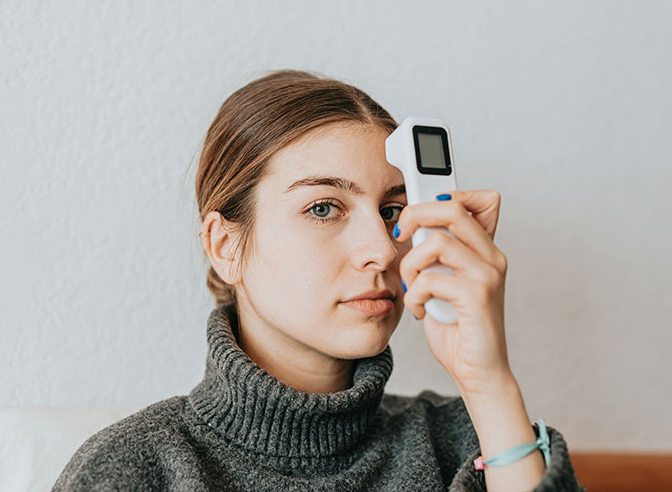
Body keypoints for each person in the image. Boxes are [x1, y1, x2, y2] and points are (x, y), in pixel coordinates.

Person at [52, 69, 586, 491]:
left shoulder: (471, 445)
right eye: (324, 207)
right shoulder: (135, 469)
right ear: (223, 246)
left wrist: (487, 381)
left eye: (394, 210)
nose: (381, 249)